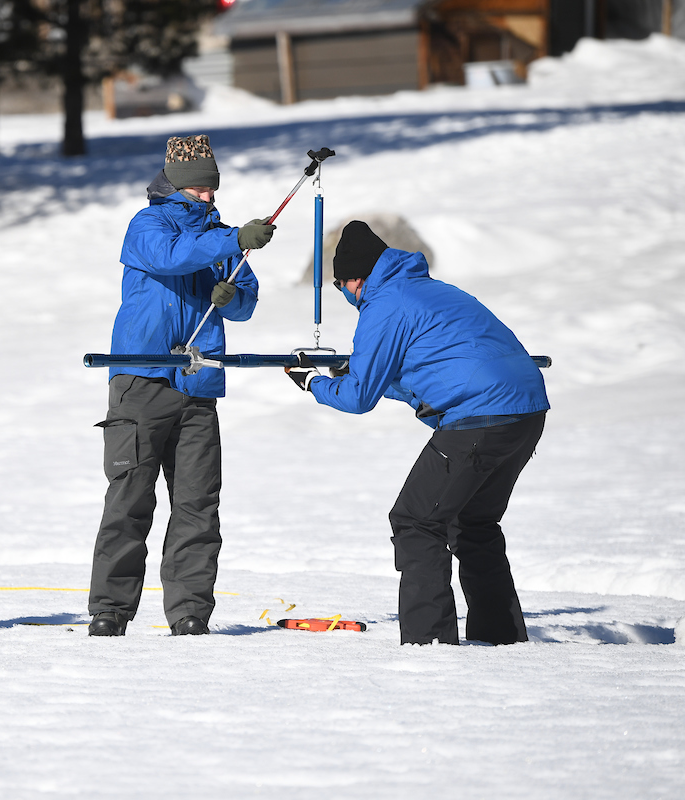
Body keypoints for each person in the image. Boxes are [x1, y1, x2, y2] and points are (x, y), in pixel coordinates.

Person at [286, 220, 549, 645]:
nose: (347, 297)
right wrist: (356, 371)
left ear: (354, 279)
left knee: (416, 522)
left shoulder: (384, 302)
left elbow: (358, 399)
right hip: (525, 411)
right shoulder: (432, 290)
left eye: (340, 288)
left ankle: (429, 645)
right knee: (473, 522)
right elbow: (425, 371)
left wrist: (312, 381)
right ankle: (501, 638)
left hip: (477, 417)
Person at [88, 134, 275, 637]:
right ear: (175, 183)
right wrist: (233, 241)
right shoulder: (148, 224)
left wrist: (230, 292)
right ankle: (111, 609)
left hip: (198, 382)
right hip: (141, 379)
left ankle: (190, 610)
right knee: (129, 500)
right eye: (198, 188)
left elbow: (246, 304)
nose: (207, 196)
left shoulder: (221, 235)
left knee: (197, 505)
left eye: (212, 188)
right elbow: (173, 257)